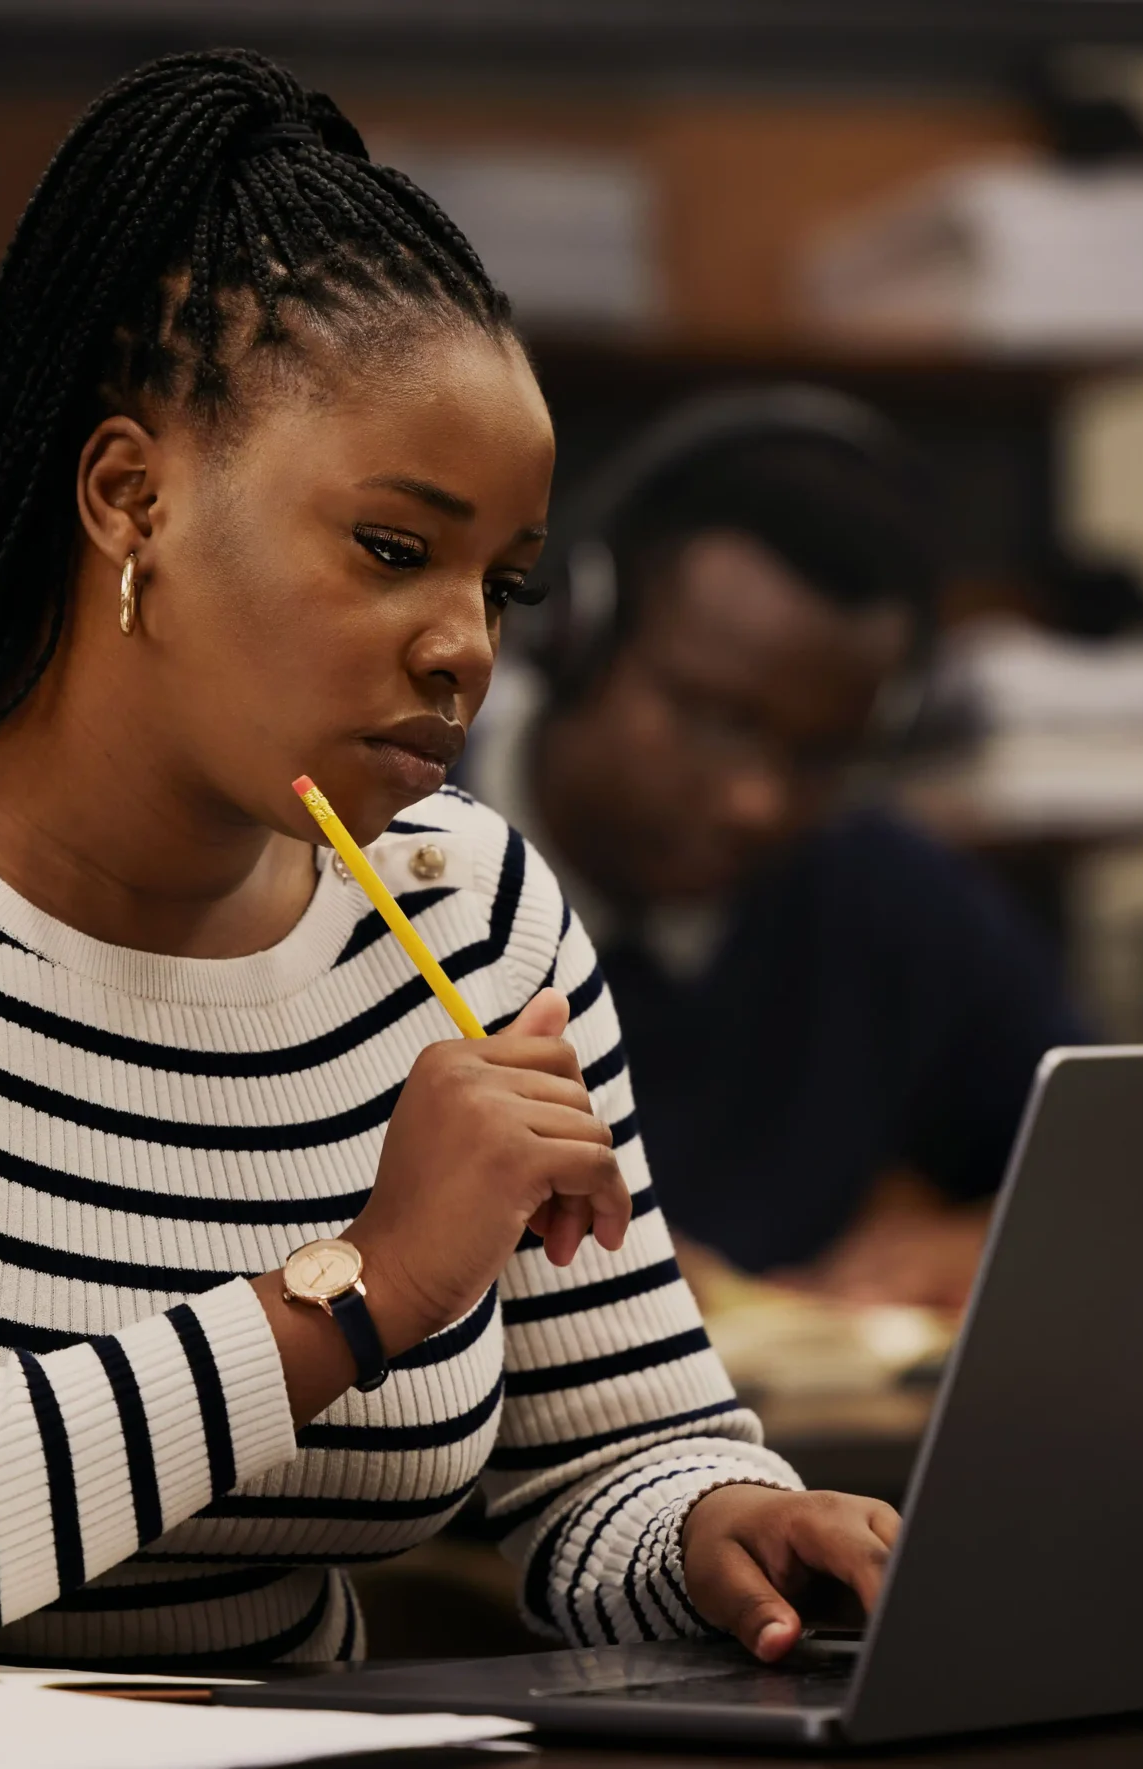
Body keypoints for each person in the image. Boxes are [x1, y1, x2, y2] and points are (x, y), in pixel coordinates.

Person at [0, 52, 894, 1669]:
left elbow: (610, 1459)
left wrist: (724, 1521)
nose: (464, 647)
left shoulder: (472, 911)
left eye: (503, 583)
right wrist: (355, 1290)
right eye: (393, 548)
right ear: (130, 497)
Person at [463, 393, 1088, 1312]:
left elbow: (1122, 1167)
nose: (758, 801)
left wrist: (990, 1244)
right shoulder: (383, 846)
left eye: (820, 754)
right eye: (713, 717)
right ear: (574, 637)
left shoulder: (880, 890)